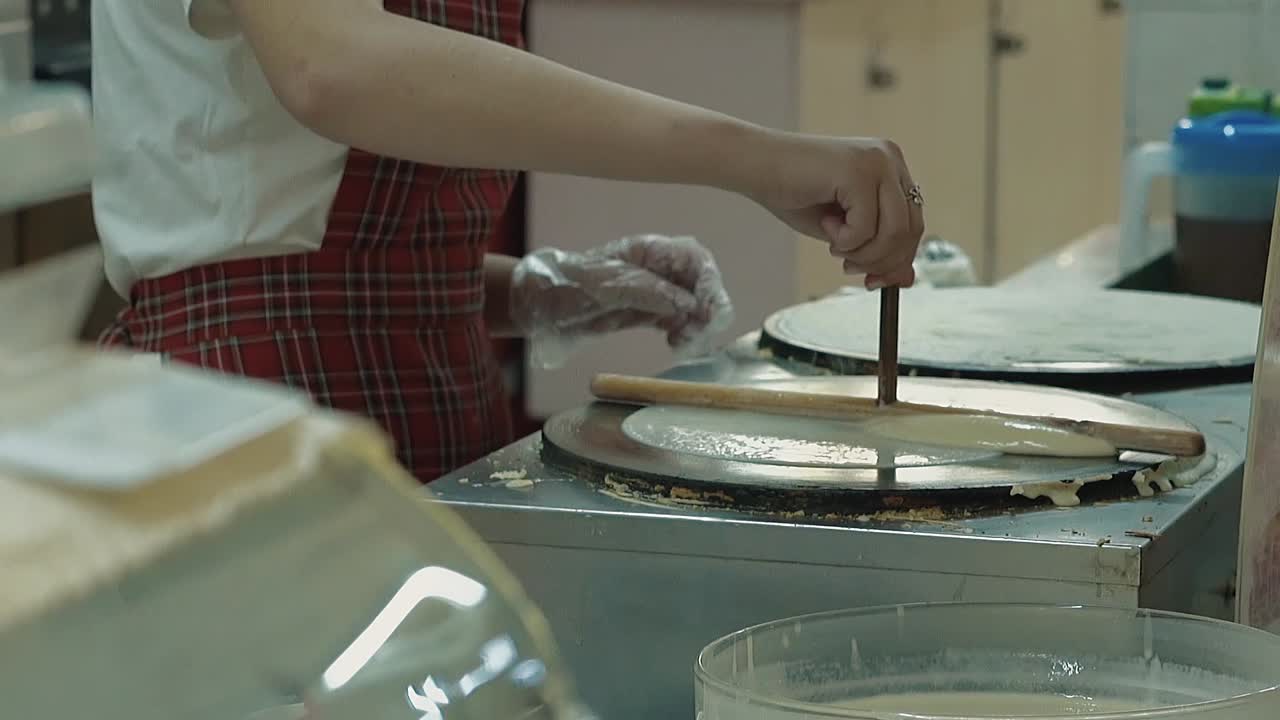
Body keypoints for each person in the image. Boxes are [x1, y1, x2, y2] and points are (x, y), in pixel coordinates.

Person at [91, 0, 925, 482]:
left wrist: (524, 290)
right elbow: (332, 66)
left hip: (439, 401)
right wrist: (758, 159)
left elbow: (292, 205)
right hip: (254, 412)